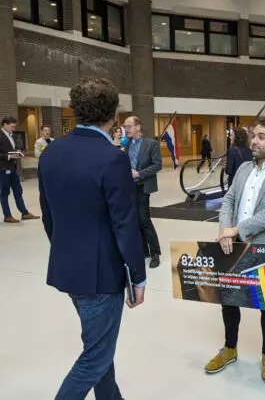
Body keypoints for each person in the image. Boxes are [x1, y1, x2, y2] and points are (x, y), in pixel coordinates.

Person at [38, 77, 146, 399]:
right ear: (113, 115)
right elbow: (125, 225)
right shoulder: (112, 158)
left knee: (99, 345)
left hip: (69, 268)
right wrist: (137, 278)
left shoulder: (51, 153)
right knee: (95, 357)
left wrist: (67, 250)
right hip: (101, 277)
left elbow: (48, 216)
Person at [205, 119, 265, 383]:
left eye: (261, 137)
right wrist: (225, 230)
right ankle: (230, 348)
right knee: (229, 298)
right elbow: (230, 199)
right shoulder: (244, 168)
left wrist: (237, 230)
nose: (254, 141)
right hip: (232, 245)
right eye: (253, 136)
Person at [124, 116, 163, 269]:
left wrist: (139, 173)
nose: (126, 129)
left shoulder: (151, 144)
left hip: (143, 185)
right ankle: (144, 251)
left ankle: (155, 253)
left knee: (144, 219)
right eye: (125, 126)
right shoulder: (126, 145)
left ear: (138, 127)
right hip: (129, 187)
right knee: (135, 220)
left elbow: (157, 165)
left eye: (129, 126)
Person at [0, 117, 39, 223]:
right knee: (4, 193)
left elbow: (11, 150)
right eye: (12, 126)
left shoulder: (11, 135)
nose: (13, 128)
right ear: (5, 124)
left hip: (13, 168)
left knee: (18, 190)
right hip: (3, 169)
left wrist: (17, 152)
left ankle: (25, 213)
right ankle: (7, 216)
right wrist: (9, 156)